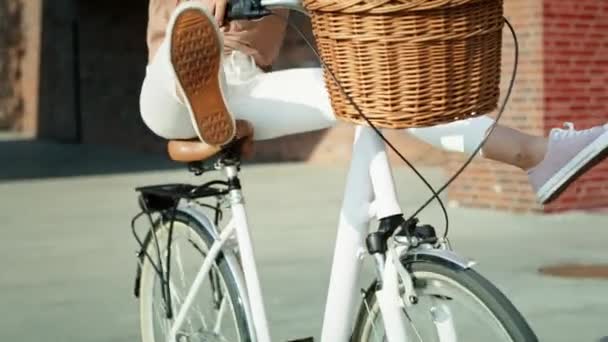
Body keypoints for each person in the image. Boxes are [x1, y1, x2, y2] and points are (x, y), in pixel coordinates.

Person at [140, 0, 608, 204]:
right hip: (172, 90)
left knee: (379, 97)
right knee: (182, 49)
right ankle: (191, 53)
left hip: (247, 90)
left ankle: (536, 155)